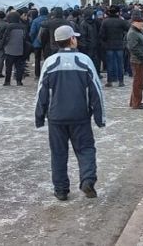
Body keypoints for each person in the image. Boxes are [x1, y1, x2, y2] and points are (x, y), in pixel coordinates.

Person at [35, 25, 105, 201]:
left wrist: (39, 115)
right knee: (86, 149)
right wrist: (99, 116)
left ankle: (61, 189)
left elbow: (41, 91)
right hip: (80, 115)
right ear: (72, 39)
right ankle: (87, 179)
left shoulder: (50, 62)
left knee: (58, 153)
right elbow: (96, 90)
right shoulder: (84, 60)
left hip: (56, 117)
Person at [127, 10, 143, 109]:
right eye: (140, 22)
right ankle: (136, 103)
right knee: (138, 83)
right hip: (138, 61)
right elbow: (133, 48)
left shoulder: (140, 31)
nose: (142, 23)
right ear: (134, 22)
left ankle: (134, 101)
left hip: (142, 61)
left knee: (139, 82)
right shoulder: (133, 33)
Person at [100, 6, 129, 87]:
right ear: (118, 12)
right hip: (119, 45)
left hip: (109, 45)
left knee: (110, 64)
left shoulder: (105, 22)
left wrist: (105, 41)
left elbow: (102, 34)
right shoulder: (121, 21)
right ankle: (121, 81)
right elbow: (128, 28)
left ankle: (110, 81)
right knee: (120, 63)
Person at [3, 12, 29, 86]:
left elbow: (5, 38)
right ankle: (19, 81)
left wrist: (2, 45)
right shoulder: (23, 26)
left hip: (9, 49)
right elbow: (26, 38)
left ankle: (7, 81)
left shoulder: (8, 26)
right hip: (20, 49)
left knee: (8, 67)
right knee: (19, 67)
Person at [30, 7, 49, 78]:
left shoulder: (35, 21)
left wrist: (33, 40)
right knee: (47, 58)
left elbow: (32, 32)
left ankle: (37, 74)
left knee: (37, 59)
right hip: (47, 43)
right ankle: (47, 73)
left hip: (37, 42)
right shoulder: (49, 20)